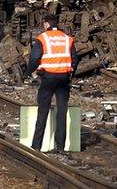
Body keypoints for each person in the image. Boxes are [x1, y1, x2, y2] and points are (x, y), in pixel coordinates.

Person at [27, 13, 78, 152]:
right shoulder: (67, 39)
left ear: (47, 24)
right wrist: (70, 73)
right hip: (63, 78)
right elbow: (74, 59)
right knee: (62, 111)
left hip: (48, 78)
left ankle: (36, 145)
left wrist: (30, 72)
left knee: (43, 110)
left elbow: (34, 58)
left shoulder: (42, 38)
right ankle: (60, 146)